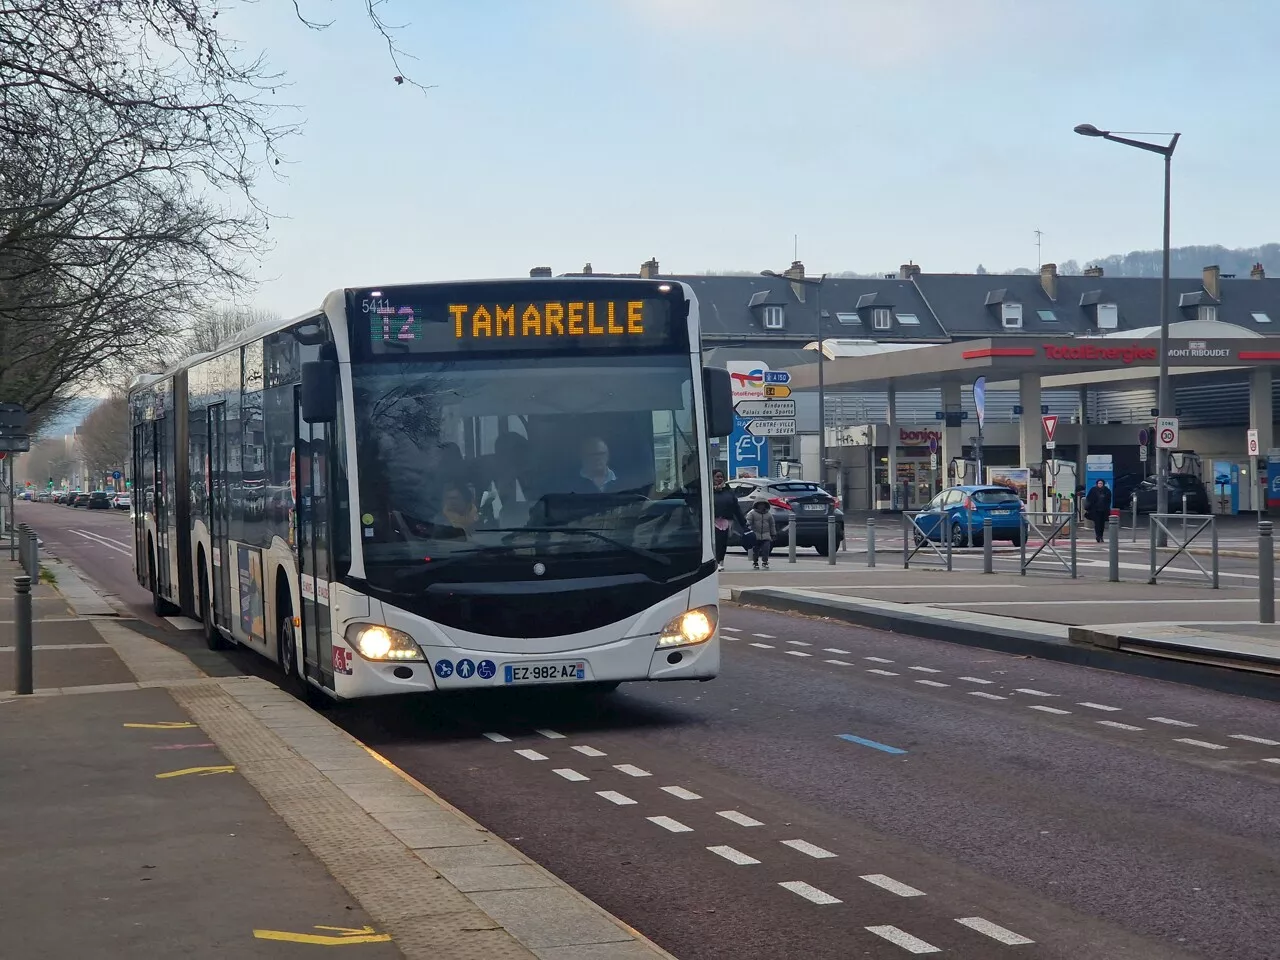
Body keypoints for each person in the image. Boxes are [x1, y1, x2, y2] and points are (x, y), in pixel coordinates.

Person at [711, 469, 745, 570]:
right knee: (714, 542)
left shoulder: (728, 490)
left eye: (721, 476)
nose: (719, 479)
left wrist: (743, 523)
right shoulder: (707, 490)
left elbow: (736, 507)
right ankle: (713, 561)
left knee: (722, 542)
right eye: (717, 476)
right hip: (711, 521)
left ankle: (720, 561)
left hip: (725, 521)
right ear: (712, 477)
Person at [745, 496, 776, 569]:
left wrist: (773, 534)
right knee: (755, 550)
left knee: (766, 549)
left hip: (766, 535)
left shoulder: (769, 515)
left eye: (763, 504)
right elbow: (748, 521)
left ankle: (765, 561)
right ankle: (755, 562)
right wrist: (748, 528)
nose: (761, 506)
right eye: (760, 504)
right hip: (755, 535)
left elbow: (772, 525)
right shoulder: (752, 514)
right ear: (756, 505)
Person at [1084, 478, 1112, 542]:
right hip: (1095, 510)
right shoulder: (1093, 490)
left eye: (1101, 483)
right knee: (1097, 523)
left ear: (1103, 484)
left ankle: (1101, 536)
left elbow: (1108, 501)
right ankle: (1098, 536)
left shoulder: (1107, 490)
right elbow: (1089, 499)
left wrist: (1107, 508)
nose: (1100, 484)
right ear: (1097, 484)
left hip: (1104, 510)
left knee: (1102, 524)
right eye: (1099, 483)